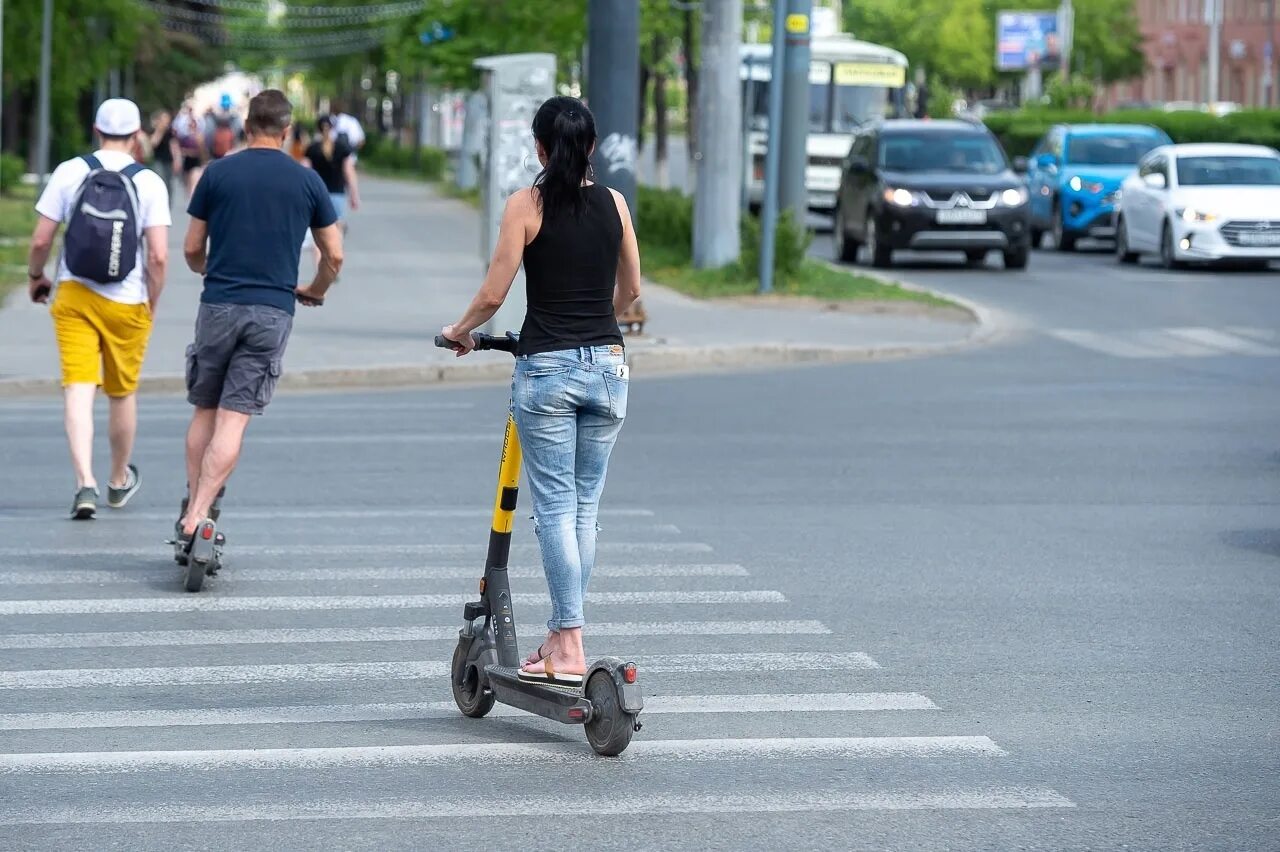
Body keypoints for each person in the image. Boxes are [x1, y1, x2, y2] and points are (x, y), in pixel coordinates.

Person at [441, 96, 642, 686]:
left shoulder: (525, 205)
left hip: (549, 371)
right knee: (585, 506)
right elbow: (631, 289)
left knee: (554, 507)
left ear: (540, 148)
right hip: (608, 366)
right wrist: (594, 321)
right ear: (592, 147)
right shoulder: (616, 204)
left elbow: (493, 293)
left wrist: (460, 332)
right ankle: (560, 635)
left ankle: (571, 642)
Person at [177, 89, 342, 546]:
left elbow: (192, 247)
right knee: (233, 419)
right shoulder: (306, 181)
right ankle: (200, 514)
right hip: (272, 310)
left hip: (219, 305)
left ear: (246, 127)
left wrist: (206, 270)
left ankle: (192, 510)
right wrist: (315, 290)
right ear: (287, 131)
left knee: (204, 410)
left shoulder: (217, 173)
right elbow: (334, 254)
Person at [26, 98, 170, 519]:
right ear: (137, 133)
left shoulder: (70, 171)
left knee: (78, 387)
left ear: (96, 129)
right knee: (121, 393)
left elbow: (40, 240)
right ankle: (117, 478)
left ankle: (83, 483)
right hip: (127, 301)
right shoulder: (149, 182)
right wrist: (152, 302)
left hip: (74, 295)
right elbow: (158, 256)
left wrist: (37, 277)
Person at [173, 102, 204, 199]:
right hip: (187, 159)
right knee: (187, 179)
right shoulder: (185, 136)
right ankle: (189, 194)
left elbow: (202, 149)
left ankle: (192, 195)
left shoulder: (199, 136)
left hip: (195, 159)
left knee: (194, 178)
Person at [149, 110, 178, 195]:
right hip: (158, 160)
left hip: (168, 160)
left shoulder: (170, 132)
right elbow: (153, 143)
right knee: (160, 180)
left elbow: (174, 146)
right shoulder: (154, 130)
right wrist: (159, 130)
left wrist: (176, 160)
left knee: (169, 183)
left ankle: (168, 202)